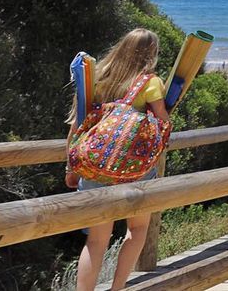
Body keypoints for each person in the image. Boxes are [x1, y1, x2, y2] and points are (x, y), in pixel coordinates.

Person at [65, 28, 169, 291]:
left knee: (96, 241)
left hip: (95, 167)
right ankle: (118, 287)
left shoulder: (99, 76)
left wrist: (71, 167)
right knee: (137, 229)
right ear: (151, 54)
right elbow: (163, 122)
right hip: (136, 170)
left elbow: (77, 125)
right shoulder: (150, 82)